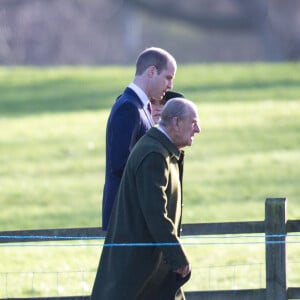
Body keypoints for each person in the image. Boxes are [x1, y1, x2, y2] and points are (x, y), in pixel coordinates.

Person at [92, 98, 201, 300]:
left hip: (153, 273)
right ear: (176, 122)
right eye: (193, 123)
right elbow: (155, 213)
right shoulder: (154, 154)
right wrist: (177, 256)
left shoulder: (163, 152)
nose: (198, 129)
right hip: (138, 274)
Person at [102, 47, 177, 230]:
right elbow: (120, 164)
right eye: (168, 77)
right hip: (125, 216)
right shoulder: (128, 107)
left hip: (134, 214)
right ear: (151, 71)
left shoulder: (142, 107)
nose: (170, 86)